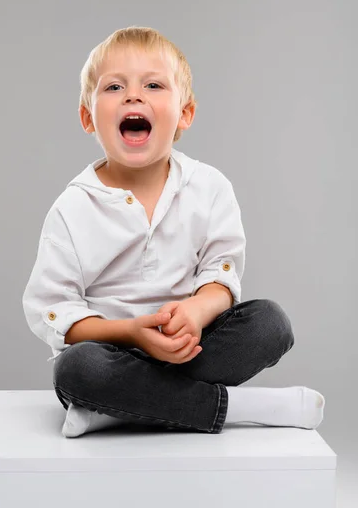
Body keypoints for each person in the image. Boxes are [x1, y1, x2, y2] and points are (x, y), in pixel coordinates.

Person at [22, 26, 325, 437]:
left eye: (153, 85)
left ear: (184, 113)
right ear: (87, 117)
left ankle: (122, 408)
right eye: (114, 86)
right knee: (77, 369)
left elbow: (220, 274)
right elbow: (54, 309)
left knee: (269, 323)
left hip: (189, 348)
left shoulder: (209, 187)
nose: (133, 95)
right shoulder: (73, 207)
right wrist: (130, 331)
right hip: (112, 354)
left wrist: (197, 312)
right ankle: (229, 408)